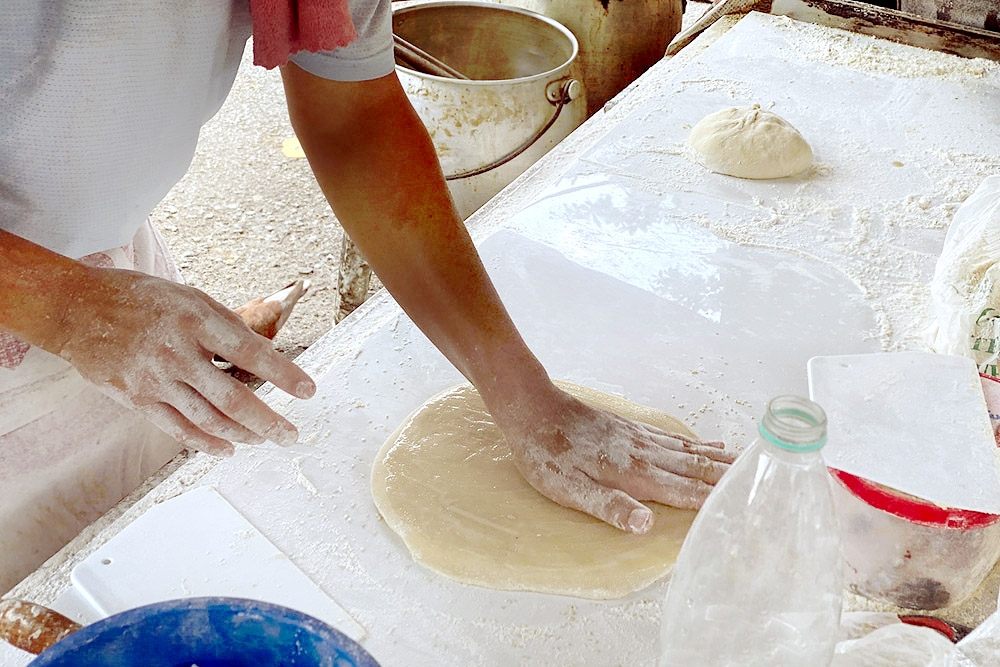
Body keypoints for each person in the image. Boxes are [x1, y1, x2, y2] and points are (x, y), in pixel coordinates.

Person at [0, 1, 734, 594]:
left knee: (114, 559)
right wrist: (67, 304)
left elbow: (352, 119)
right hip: (63, 304)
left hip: (115, 288)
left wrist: (520, 390)